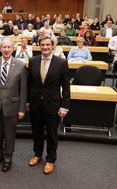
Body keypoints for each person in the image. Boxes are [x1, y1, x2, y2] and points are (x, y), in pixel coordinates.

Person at [27, 36, 70, 174]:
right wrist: (28, 101)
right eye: (42, 45)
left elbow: (66, 87)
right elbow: (29, 84)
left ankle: (50, 160)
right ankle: (37, 154)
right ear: (39, 46)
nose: (45, 47)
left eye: (47, 45)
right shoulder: (33, 61)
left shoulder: (62, 63)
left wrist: (65, 106)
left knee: (52, 134)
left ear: (52, 46)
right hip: (35, 104)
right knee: (36, 131)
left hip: (53, 105)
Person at [0, 38, 27, 172]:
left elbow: (23, 89)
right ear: (0, 49)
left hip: (12, 106)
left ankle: (8, 158)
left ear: (13, 49)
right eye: (4, 47)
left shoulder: (20, 65)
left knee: (10, 135)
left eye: (9, 47)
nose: (6, 49)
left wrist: (22, 109)